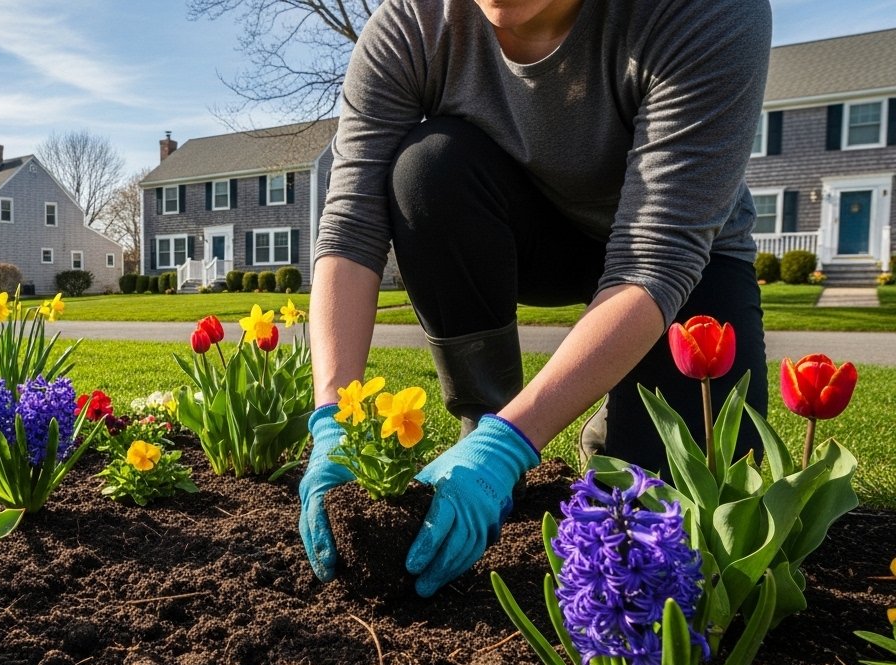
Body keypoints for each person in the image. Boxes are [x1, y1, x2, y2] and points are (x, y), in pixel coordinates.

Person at [299, 0, 772, 597]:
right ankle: (486, 421)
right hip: (525, 232)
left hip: (683, 262)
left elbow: (654, 257)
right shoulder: (414, 23)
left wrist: (511, 445)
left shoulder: (703, 13)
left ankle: (535, 434)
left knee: (677, 515)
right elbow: (350, 226)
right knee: (427, 168)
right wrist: (332, 419)